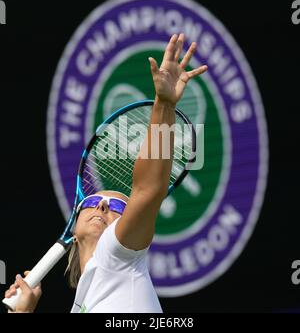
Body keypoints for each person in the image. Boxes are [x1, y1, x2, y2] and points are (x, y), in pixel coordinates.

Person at [5, 33, 208, 313]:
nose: (100, 204)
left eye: (116, 206)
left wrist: (164, 105)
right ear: (73, 230)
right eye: (89, 202)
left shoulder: (116, 252)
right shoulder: (80, 306)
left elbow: (148, 190)